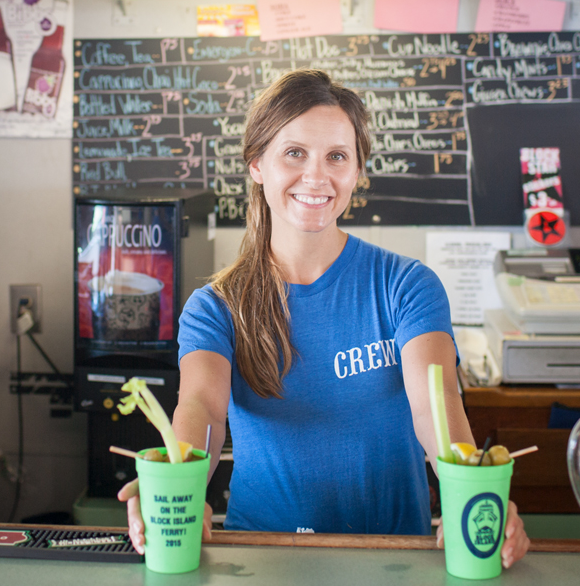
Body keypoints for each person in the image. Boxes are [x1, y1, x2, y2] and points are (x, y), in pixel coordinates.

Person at [120, 69, 529, 565]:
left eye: (337, 156)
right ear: (257, 165)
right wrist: (174, 485)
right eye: (294, 153)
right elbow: (202, 408)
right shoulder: (215, 306)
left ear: (357, 171)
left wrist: (478, 493)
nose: (316, 177)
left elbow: (435, 405)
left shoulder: (406, 286)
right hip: (264, 557)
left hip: (396, 555)